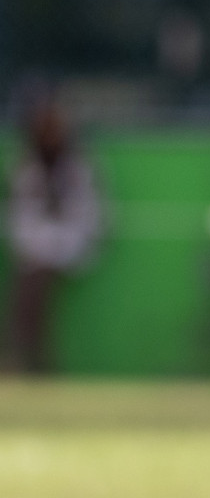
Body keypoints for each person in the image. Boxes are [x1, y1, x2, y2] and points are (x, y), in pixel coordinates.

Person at [7, 80, 102, 374]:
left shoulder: (78, 169)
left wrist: (54, 247)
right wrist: (35, 247)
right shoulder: (27, 168)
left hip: (68, 248)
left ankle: (31, 363)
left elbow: (90, 218)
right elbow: (21, 218)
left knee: (33, 287)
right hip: (35, 250)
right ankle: (28, 361)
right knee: (29, 292)